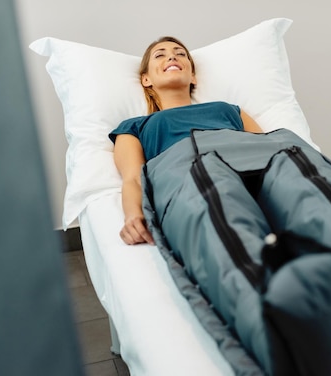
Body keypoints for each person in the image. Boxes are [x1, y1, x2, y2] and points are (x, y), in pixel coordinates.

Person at [109, 36, 263, 245]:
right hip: (194, 180)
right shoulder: (135, 127)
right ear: (146, 80)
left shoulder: (228, 110)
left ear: (193, 77)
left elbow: (267, 151)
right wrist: (133, 215)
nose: (172, 56)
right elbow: (134, 179)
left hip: (246, 174)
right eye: (160, 55)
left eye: (180, 54)